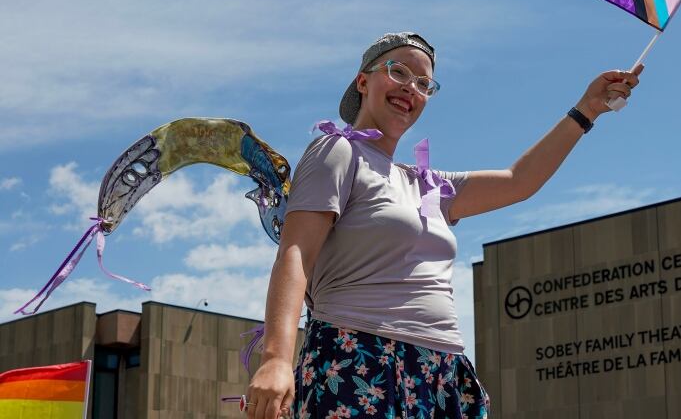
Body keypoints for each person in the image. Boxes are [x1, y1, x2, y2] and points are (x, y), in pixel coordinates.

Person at [245, 32, 641, 418]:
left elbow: (520, 181)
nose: (410, 88)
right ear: (363, 81)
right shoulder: (338, 150)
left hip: (443, 371)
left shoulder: (427, 184)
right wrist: (277, 358)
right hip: (359, 356)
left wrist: (587, 109)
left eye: (423, 83)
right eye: (398, 72)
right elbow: (296, 252)